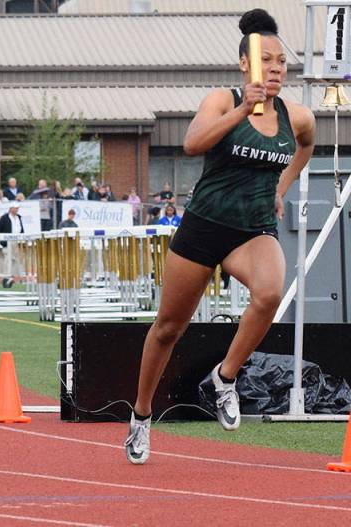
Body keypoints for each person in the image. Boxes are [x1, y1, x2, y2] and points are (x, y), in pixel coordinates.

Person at [125, 9, 314, 465]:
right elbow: (192, 144)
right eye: (265, 60)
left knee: (270, 293)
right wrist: (241, 110)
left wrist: (281, 189)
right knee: (169, 328)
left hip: (252, 230)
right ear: (244, 65)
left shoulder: (297, 115)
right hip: (205, 226)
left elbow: (305, 145)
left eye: (281, 61)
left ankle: (225, 378)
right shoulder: (221, 99)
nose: (274, 68)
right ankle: (142, 415)